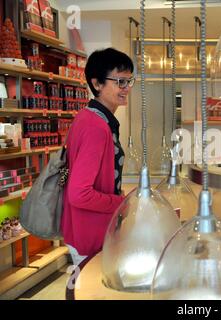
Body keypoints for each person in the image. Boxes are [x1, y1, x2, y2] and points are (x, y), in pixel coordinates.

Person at [61, 48, 135, 265]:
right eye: (120, 81)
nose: (126, 88)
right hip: (90, 233)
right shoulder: (95, 126)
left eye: (129, 81)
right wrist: (120, 203)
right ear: (97, 84)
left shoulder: (91, 118)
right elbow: (79, 194)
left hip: (86, 228)